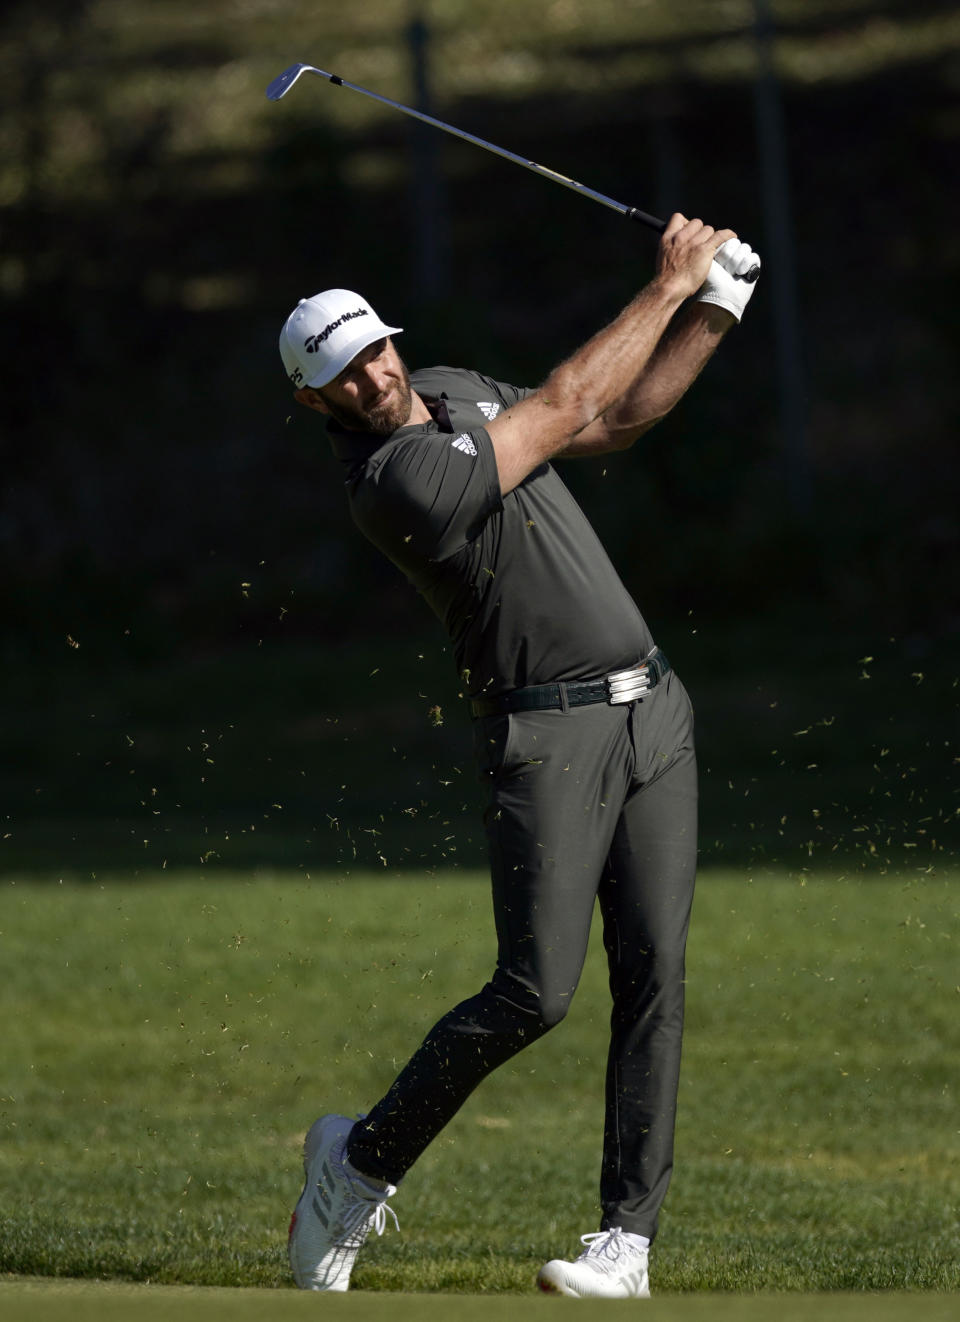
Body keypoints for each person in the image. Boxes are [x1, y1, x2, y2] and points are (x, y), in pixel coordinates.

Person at [278, 214, 760, 1297]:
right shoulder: (395, 483)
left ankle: (625, 1241)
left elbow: (613, 420)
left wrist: (717, 311)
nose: (374, 376)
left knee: (655, 978)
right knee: (534, 991)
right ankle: (354, 1166)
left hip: (654, 710)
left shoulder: (447, 386)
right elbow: (562, 403)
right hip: (547, 733)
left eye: (376, 350)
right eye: (344, 375)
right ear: (314, 402)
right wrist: (673, 281)